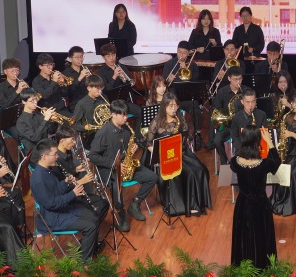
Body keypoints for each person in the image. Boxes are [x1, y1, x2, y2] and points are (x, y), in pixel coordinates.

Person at [89, 100, 160, 230]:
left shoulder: (126, 129)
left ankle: (135, 204)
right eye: (122, 115)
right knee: (116, 187)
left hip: (125, 165)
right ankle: (121, 214)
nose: (126, 118)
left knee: (152, 177)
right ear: (113, 114)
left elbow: (126, 150)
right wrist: (114, 164)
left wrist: (132, 149)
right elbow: (93, 156)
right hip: (109, 169)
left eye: (126, 114)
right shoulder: (103, 133)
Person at [31, 139, 106, 259]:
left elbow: (56, 190)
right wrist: (73, 194)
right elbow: (51, 203)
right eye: (54, 154)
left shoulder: (47, 170)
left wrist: (66, 182)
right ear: (44, 156)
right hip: (53, 218)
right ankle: (85, 262)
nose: (57, 156)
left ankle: (89, 248)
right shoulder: (39, 178)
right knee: (90, 226)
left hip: (62, 209)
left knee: (94, 216)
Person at [145, 91, 211, 216]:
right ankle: (189, 206)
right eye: (171, 106)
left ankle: (199, 202)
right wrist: (160, 154)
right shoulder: (156, 122)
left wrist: (184, 141)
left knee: (201, 169)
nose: (174, 108)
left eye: (176, 105)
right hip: (166, 157)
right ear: (164, 106)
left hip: (182, 153)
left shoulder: (180, 119)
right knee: (189, 173)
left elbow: (186, 136)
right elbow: (148, 144)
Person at [230, 125, 281, 268]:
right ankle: (262, 270)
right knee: (261, 238)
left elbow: (235, 163)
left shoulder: (235, 162)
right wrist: (269, 142)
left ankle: (242, 271)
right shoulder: (264, 164)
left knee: (243, 238)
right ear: (258, 141)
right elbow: (276, 163)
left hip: (242, 204)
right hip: (260, 205)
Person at [212, 66, 244, 164]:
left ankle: (240, 162)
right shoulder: (222, 92)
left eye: (240, 79)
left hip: (242, 126)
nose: (238, 82)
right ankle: (224, 162)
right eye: (235, 79)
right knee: (217, 141)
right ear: (229, 78)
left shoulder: (246, 91)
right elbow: (216, 110)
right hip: (227, 126)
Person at [16, 88, 56, 164]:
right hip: (36, 154)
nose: (35, 102)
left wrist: (52, 121)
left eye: (36, 99)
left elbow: (51, 131)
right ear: (24, 102)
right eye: (32, 101)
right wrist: (45, 120)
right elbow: (35, 138)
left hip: (46, 147)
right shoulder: (21, 122)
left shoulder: (38, 115)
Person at [230, 87, 267, 154]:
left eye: (253, 101)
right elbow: (235, 137)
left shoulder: (262, 115)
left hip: (258, 150)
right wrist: (242, 149)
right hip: (242, 150)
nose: (251, 105)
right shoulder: (236, 117)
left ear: (256, 101)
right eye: (247, 102)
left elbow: (264, 135)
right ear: (242, 102)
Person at [60, 46, 94, 110]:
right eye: (77, 57)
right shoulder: (65, 74)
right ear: (70, 59)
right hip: (75, 105)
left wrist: (89, 80)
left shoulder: (85, 70)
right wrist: (79, 79)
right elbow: (68, 94)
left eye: (81, 56)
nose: (80, 59)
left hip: (89, 102)